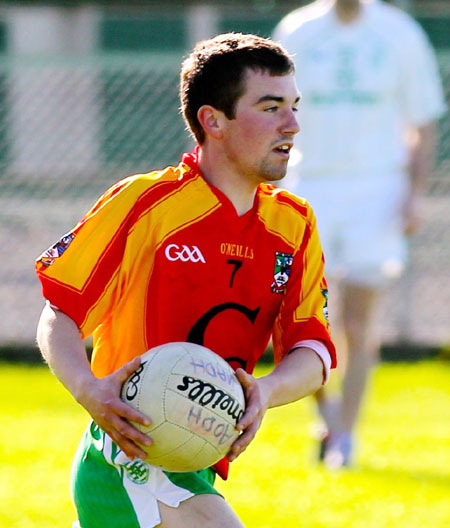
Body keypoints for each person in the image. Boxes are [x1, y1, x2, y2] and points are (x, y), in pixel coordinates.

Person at [35, 33, 336, 528]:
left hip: (192, 463)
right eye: (271, 107)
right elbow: (60, 312)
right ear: (213, 120)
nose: (293, 124)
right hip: (128, 456)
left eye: (294, 106)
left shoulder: (294, 224)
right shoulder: (145, 204)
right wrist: (90, 389)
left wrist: (267, 389)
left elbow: (314, 349)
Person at [273, 0, 446, 468]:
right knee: (298, 314)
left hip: (378, 186)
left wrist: (413, 192)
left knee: (358, 317)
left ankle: (346, 436)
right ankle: (325, 414)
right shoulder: (299, 30)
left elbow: (423, 120)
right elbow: (271, 112)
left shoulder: (399, 32)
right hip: (310, 185)